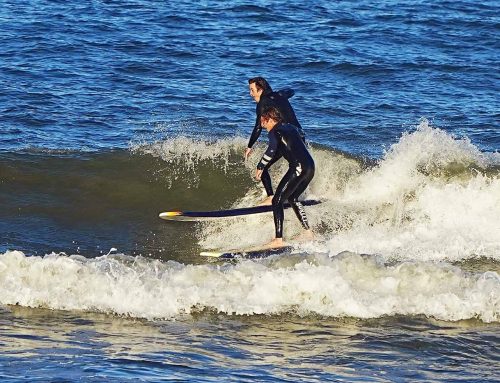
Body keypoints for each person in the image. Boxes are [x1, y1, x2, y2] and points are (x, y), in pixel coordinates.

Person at [255, 106, 315, 248]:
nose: (260, 123)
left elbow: (271, 150)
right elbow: (297, 139)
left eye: (262, 120)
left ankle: (278, 239)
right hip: (310, 166)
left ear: (268, 119)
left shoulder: (275, 131)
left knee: (277, 200)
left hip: (298, 167)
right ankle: (308, 232)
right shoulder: (289, 127)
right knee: (293, 198)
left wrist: (261, 165)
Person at [246, 76, 305, 205]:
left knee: (263, 168)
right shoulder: (280, 95)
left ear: (260, 89)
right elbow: (291, 91)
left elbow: (258, 127)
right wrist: (282, 94)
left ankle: (271, 197)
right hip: (300, 135)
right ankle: (294, 194)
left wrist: (249, 146)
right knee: (296, 164)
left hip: (285, 137)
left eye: (252, 90)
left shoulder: (262, 103)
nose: (250, 94)